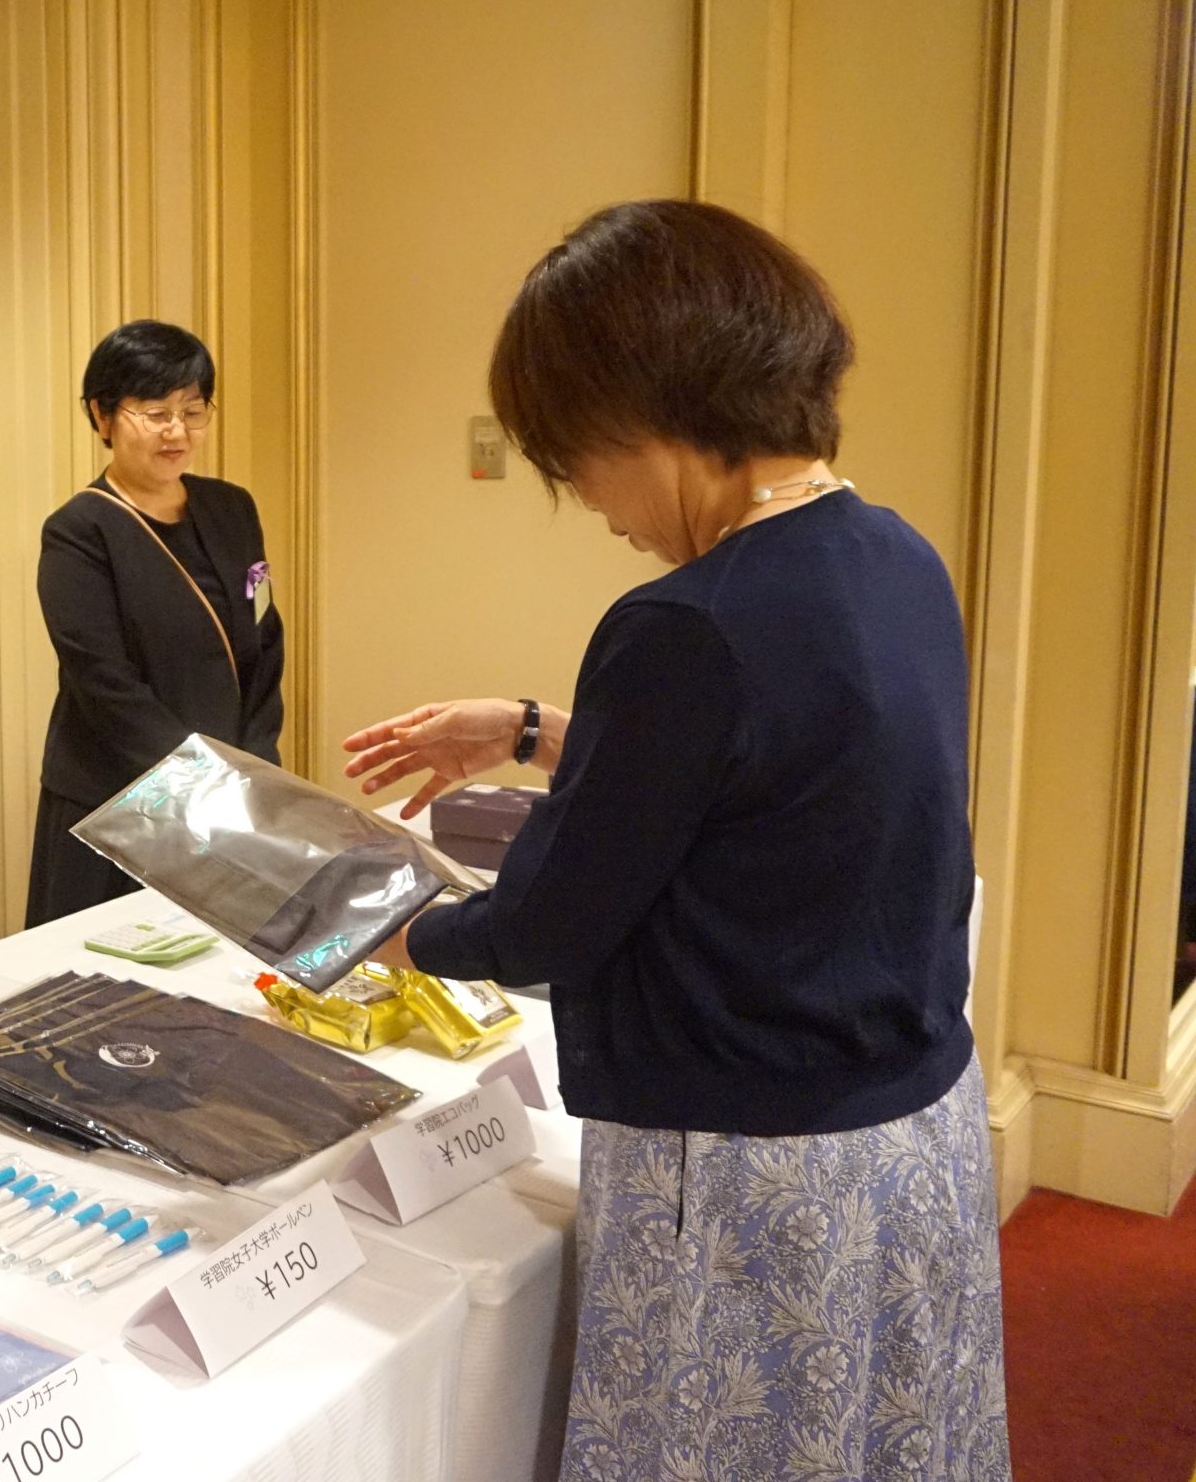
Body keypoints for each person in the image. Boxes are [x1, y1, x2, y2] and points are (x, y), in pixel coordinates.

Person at [346, 200, 1007, 1480]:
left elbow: (552, 921)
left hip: (756, 1171)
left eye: (570, 459)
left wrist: (384, 929)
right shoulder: (893, 556)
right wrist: (536, 730)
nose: (587, 504)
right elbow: (775, 779)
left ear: (636, 414)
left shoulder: (682, 622)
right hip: (908, 1137)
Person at [27, 320, 284, 927]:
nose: (177, 431)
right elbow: (104, 684)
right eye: (155, 412)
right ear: (102, 415)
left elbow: (263, 632)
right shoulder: (78, 531)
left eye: (193, 411)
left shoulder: (233, 508)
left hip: (228, 795)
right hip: (119, 803)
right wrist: (200, 780)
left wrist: (255, 762)